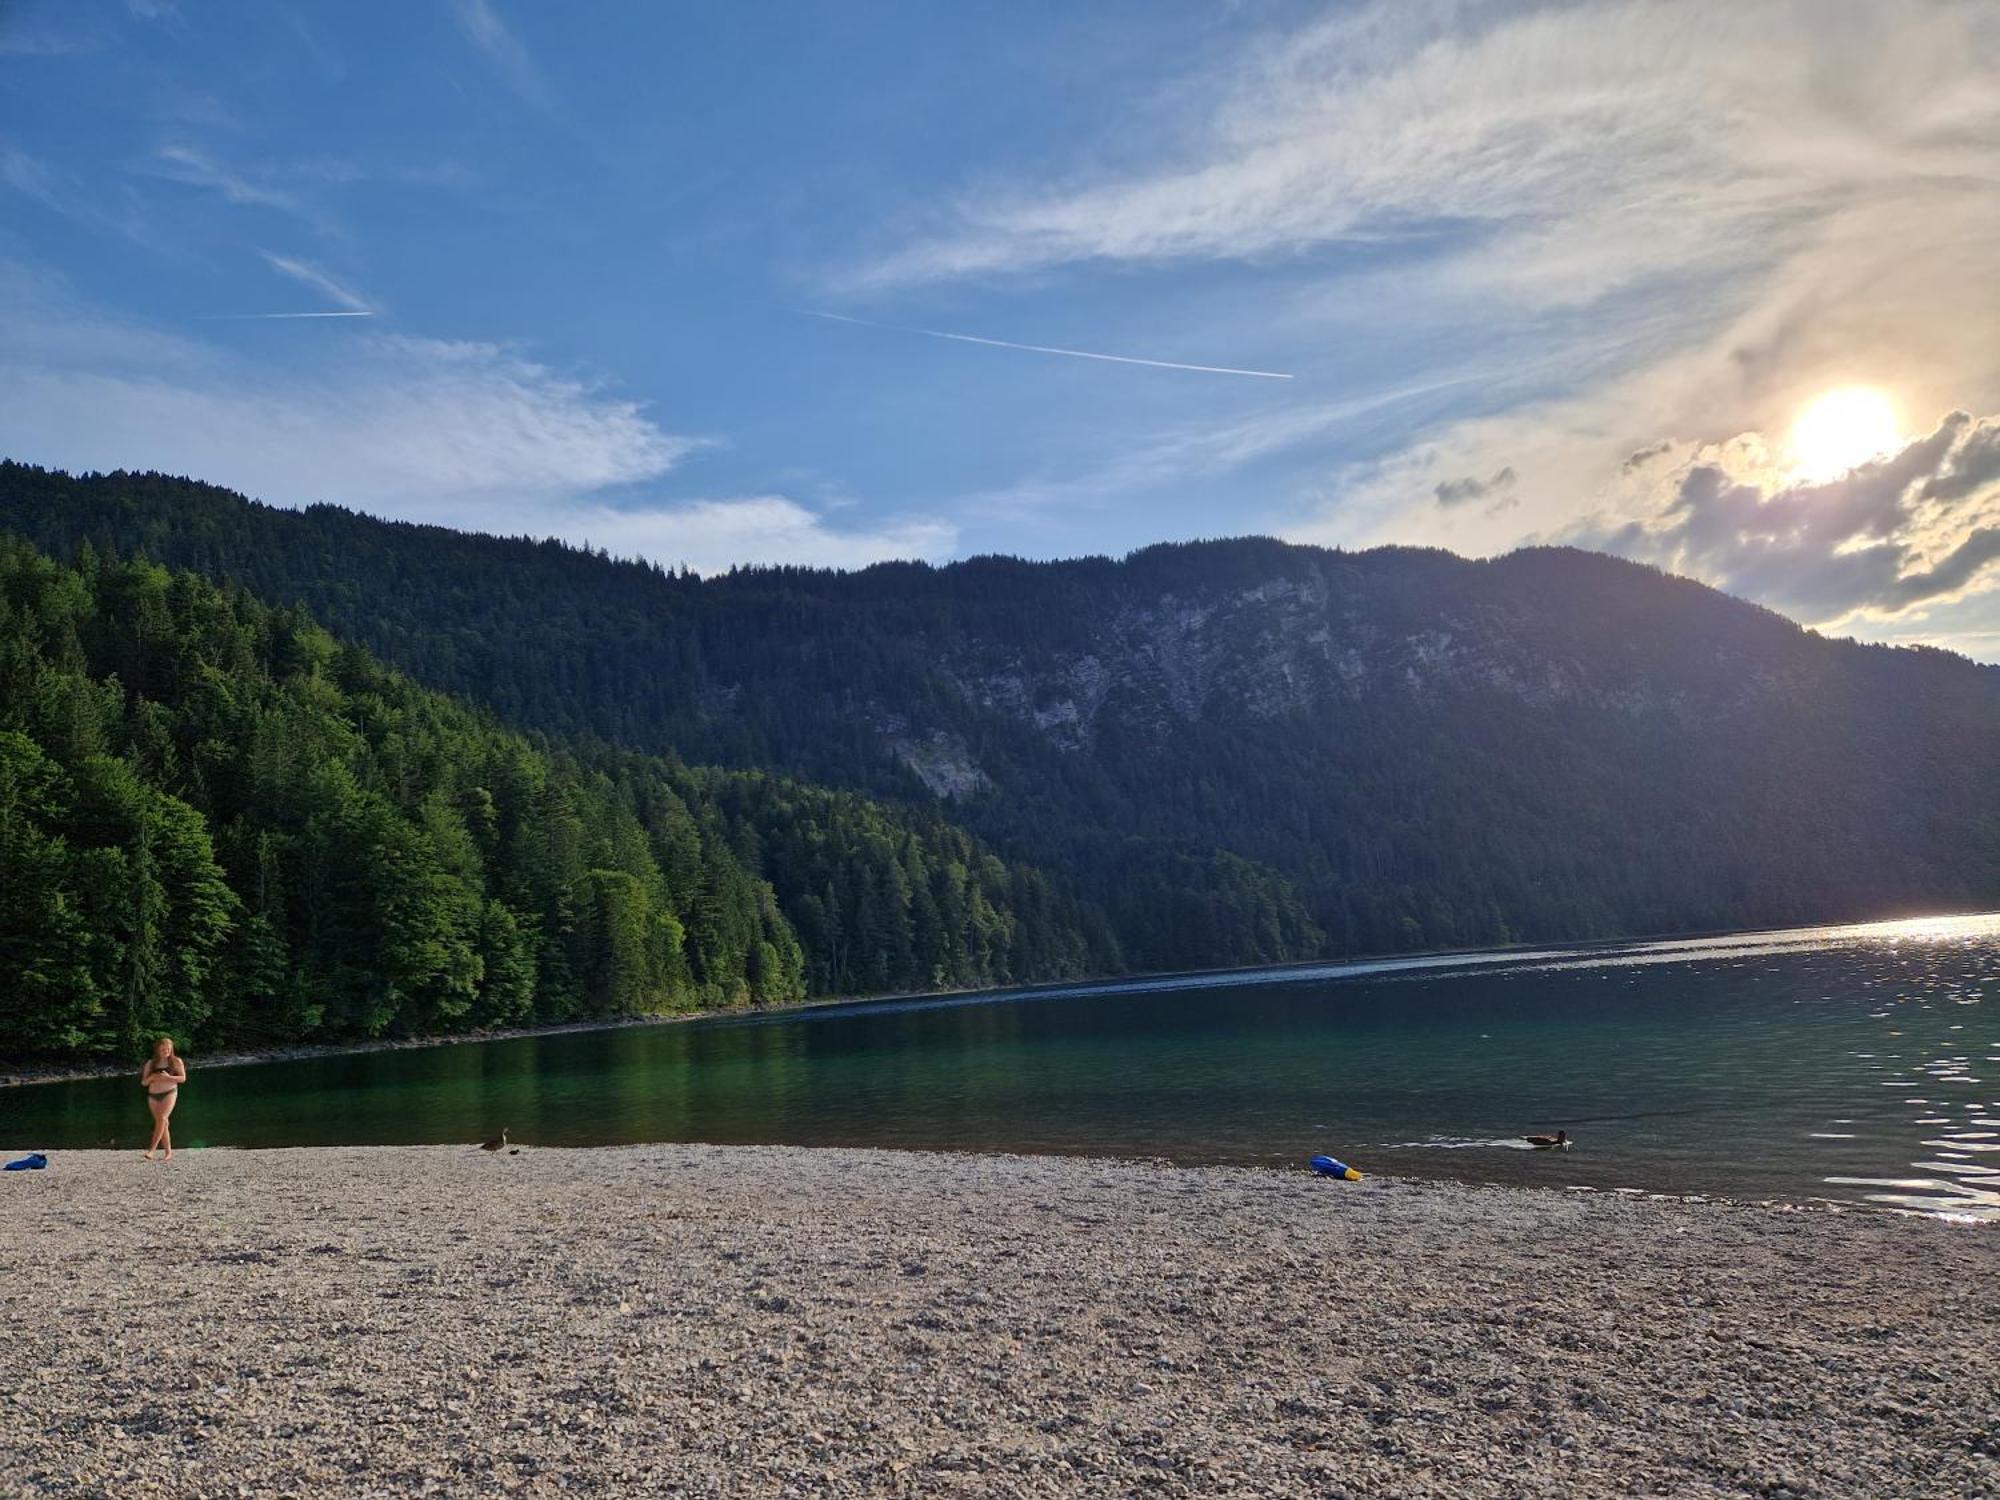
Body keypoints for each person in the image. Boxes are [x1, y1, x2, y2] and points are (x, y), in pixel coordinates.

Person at [140, 1037, 187, 1161]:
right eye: (163, 1049)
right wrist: (152, 1077)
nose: (166, 1051)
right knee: (162, 1123)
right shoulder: (151, 1063)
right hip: (153, 1095)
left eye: (168, 1049)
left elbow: (182, 1078)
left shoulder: (176, 1061)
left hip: (169, 1093)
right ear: (157, 1049)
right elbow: (144, 1082)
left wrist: (168, 1077)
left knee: (162, 1119)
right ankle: (168, 1153)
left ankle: (152, 1150)